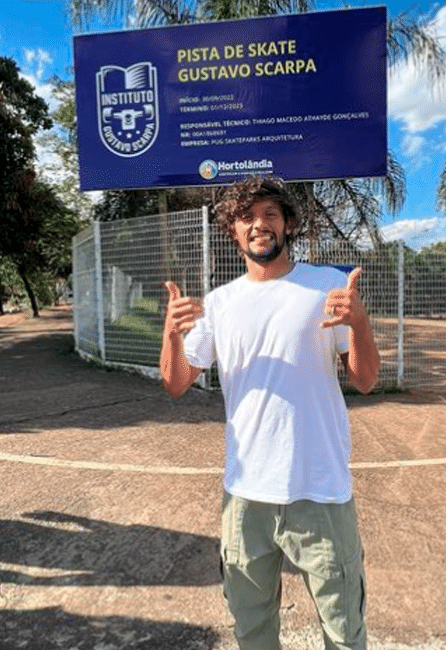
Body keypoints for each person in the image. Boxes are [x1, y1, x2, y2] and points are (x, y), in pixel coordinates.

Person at [159, 175, 380, 650]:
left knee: (344, 631)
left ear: (288, 224)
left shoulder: (327, 286)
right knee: (253, 632)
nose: (259, 224)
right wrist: (171, 333)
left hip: (319, 489)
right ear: (233, 231)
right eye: (247, 217)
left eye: (270, 214)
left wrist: (359, 324)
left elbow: (366, 379)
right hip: (245, 498)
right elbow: (177, 383)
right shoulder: (220, 304)